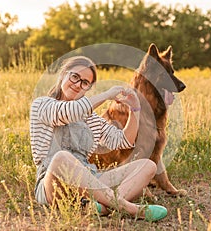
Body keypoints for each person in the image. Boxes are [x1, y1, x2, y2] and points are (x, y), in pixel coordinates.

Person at [30, 55, 167, 221]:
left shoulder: (91, 118)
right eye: (75, 77)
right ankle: (131, 209)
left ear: (88, 88)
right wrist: (107, 95)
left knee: (147, 166)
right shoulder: (42, 105)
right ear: (63, 75)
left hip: (90, 180)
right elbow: (66, 113)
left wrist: (135, 110)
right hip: (53, 184)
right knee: (61, 158)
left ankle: (102, 207)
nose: (77, 84)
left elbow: (124, 141)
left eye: (85, 83)